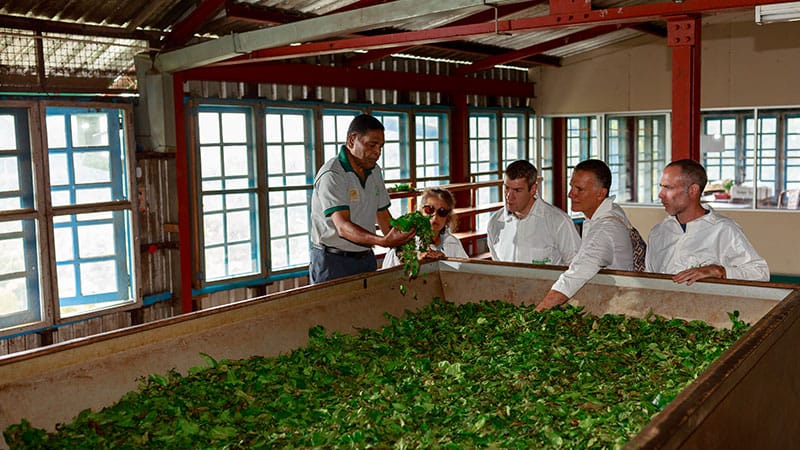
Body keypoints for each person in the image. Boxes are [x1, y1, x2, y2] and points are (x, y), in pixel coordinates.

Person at [309, 114, 415, 284]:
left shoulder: (374, 171)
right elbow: (343, 227)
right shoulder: (333, 174)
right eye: (372, 145)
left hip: (365, 257)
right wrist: (382, 241)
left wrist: (404, 245)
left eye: (380, 147)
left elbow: (383, 215)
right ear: (352, 140)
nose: (377, 152)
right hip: (333, 261)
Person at [646, 159, 769, 284]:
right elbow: (649, 278)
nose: (660, 195)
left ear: (693, 190)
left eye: (668, 187)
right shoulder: (658, 233)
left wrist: (719, 271)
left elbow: (760, 273)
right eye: (661, 187)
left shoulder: (723, 230)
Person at [536, 159, 634, 311]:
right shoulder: (610, 211)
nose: (570, 194)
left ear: (601, 193)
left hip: (618, 306)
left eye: (579, 189)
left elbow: (576, 275)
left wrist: (538, 312)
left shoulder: (605, 229)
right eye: (571, 187)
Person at [487, 160, 580, 265]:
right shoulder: (494, 223)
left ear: (533, 189)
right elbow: (497, 267)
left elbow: (576, 266)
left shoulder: (559, 222)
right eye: (507, 188)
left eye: (517, 190)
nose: (509, 196)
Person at [382, 187, 468, 268]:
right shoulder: (405, 240)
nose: (435, 216)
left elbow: (465, 270)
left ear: (448, 217)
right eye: (429, 210)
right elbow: (392, 268)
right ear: (420, 212)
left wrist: (444, 261)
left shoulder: (452, 243)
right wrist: (416, 259)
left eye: (442, 212)